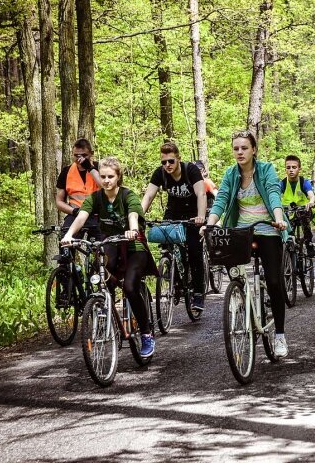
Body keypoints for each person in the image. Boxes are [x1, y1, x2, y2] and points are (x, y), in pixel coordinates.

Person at [202, 131, 290, 358]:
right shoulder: (231, 174)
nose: (239, 152)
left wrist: (279, 218)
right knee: (230, 263)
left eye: (244, 148)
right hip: (241, 230)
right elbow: (220, 201)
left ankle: (279, 334)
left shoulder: (266, 169)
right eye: (236, 149)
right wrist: (210, 224)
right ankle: (239, 295)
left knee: (273, 281)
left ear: (253, 150)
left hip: (268, 226)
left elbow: (273, 194)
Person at [61, 157, 157, 357]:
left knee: (130, 287)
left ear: (118, 177)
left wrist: (132, 230)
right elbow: (81, 216)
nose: (106, 180)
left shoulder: (127, 196)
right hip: (111, 243)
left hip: (134, 246)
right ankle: (108, 317)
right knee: (105, 278)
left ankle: (146, 333)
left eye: (110, 177)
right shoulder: (96, 198)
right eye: (103, 176)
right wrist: (69, 235)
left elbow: (133, 215)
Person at [141, 142, 207, 311]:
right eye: (164, 162)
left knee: (194, 251)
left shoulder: (190, 170)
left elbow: (201, 193)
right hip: (173, 213)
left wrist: (201, 216)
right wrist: (138, 218)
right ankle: (174, 277)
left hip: (193, 214)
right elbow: (148, 196)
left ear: (178, 158)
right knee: (166, 243)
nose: (167, 165)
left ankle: (198, 294)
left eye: (171, 161)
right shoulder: (160, 174)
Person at [56, 138, 102, 234]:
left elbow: (106, 188)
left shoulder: (100, 168)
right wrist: (74, 211)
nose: (80, 159)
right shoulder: (66, 171)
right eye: (76, 155)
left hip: (98, 215)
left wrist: (90, 168)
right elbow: (59, 202)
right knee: (65, 242)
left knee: (102, 244)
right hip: (75, 213)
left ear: (91, 153)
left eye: (84, 155)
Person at [280, 155, 315, 258]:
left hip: (303, 211)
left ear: (299, 169)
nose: (291, 170)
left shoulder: (304, 182)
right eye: (288, 168)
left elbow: (311, 195)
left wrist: (311, 202)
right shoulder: (282, 183)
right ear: (285, 169)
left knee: (303, 216)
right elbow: (274, 195)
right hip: (288, 213)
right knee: (283, 227)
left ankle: (308, 243)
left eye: (294, 167)